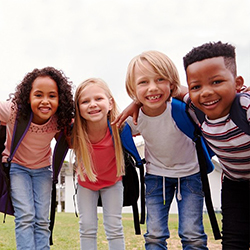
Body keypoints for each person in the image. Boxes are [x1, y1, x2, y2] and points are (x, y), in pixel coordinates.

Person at [122, 50, 208, 249]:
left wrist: (174, 90)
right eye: (143, 82)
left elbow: (198, 97)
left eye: (160, 79)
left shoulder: (183, 107)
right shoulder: (133, 118)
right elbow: (110, 129)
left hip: (191, 174)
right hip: (156, 177)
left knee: (192, 234)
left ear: (171, 83)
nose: (152, 88)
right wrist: (136, 102)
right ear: (132, 88)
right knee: (154, 235)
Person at [183, 41, 250, 250]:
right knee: (233, 240)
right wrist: (136, 103)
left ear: (238, 83)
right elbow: (171, 89)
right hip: (234, 184)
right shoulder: (196, 110)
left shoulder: (245, 107)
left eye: (216, 82)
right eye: (196, 86)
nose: (205, 92)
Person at [0, 67, 74, 250]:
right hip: (18, 168)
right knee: (25, 216)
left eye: (52, 96)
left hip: (42, 170)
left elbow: (71, 143)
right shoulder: (13, 111)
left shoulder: (59, 119)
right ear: (28, 97)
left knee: (42, 219)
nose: (45, 101)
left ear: (60, 99)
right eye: (38, 95)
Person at [71, 78, 125, 250]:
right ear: (78, 109)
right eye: (85, 101)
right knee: (86, 227)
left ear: (110, 103)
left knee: (114, 227)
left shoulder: (120, 127)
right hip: (86, 184)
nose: (92, 104)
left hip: (113, 183)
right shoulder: (73, 131)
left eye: (98, 99)